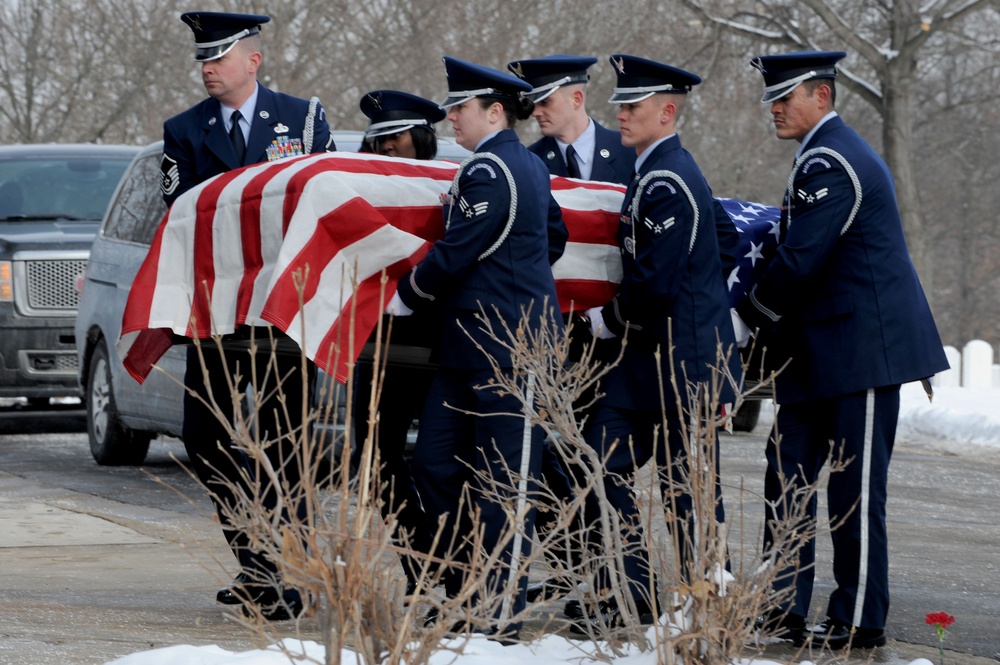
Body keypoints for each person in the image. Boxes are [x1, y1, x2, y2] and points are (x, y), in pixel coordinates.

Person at [736, 50, 949, 649]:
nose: (774, 109)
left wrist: (745, 317)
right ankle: (781, 605)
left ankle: (858, 619)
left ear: (821, 97)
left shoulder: (834, 160)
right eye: (770, 99)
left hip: (862, 351)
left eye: (785, 98)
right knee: (786, 478)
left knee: (852, 492)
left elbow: (801, 260)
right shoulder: (820, 156)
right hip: (818, 349)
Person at [160, 11, 334, 621]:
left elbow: (326, 200)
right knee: (204, 439)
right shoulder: (183, 130)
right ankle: (258, 559)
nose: (207, 67)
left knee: (288, 446)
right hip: (217, 311)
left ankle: (287, 573)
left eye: (219, 57)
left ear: (252, 61)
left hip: (284, 311)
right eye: (202, 58)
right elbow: (181, 212)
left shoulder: (303, 119)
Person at [388, 56, 565, 639]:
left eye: (458, 108)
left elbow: (461, 248)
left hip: (510, 347)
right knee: (434, 465)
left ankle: (502, 608)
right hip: (468, 346)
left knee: (506, 483)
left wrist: (408, 293)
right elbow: (553, 236)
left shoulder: (501, 169)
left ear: (494, 111)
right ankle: (468, 585)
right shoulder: (511, 167)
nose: (449, 117)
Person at [575, 54, 742, 630]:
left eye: (633, 106)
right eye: (619, 104)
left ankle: (711, 607)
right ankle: (639, 591)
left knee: (687, 493)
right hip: (653, 362)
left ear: (666, 112)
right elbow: (721, 239)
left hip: (681, 366)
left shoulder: (669, 177)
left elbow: (656, 281)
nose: (620, 114)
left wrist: (608, 319)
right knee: (601, 463)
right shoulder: (656, 170)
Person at [352, 89, 444, 593]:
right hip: (377, 345)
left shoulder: (448, 186)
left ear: (423, 139)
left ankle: (449, 568)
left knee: (441, 465)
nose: (387, 146)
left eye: (397, 136)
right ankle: (425, 564)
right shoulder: (359, 188)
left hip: (431, 345)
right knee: (373, 463)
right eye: (379, 139)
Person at [507, 54, 634, 184]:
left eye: (545, 102)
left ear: (576, 99)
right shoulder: (530, 162)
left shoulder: (629, 151)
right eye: (533, 104)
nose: (535, 113)